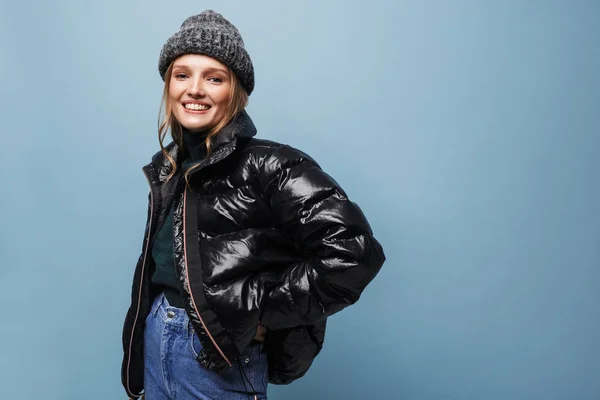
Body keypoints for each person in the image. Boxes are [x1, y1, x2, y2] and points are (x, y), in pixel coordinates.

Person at [121, 9, 386, 400]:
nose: (195, 89)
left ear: (236, 92)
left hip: (215, 356)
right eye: (182, 75)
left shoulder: (270, 165)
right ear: (168, 85)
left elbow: (353, 254)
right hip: (159, 336)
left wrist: (259, 312)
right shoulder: (168, 167)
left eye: (214, 78)